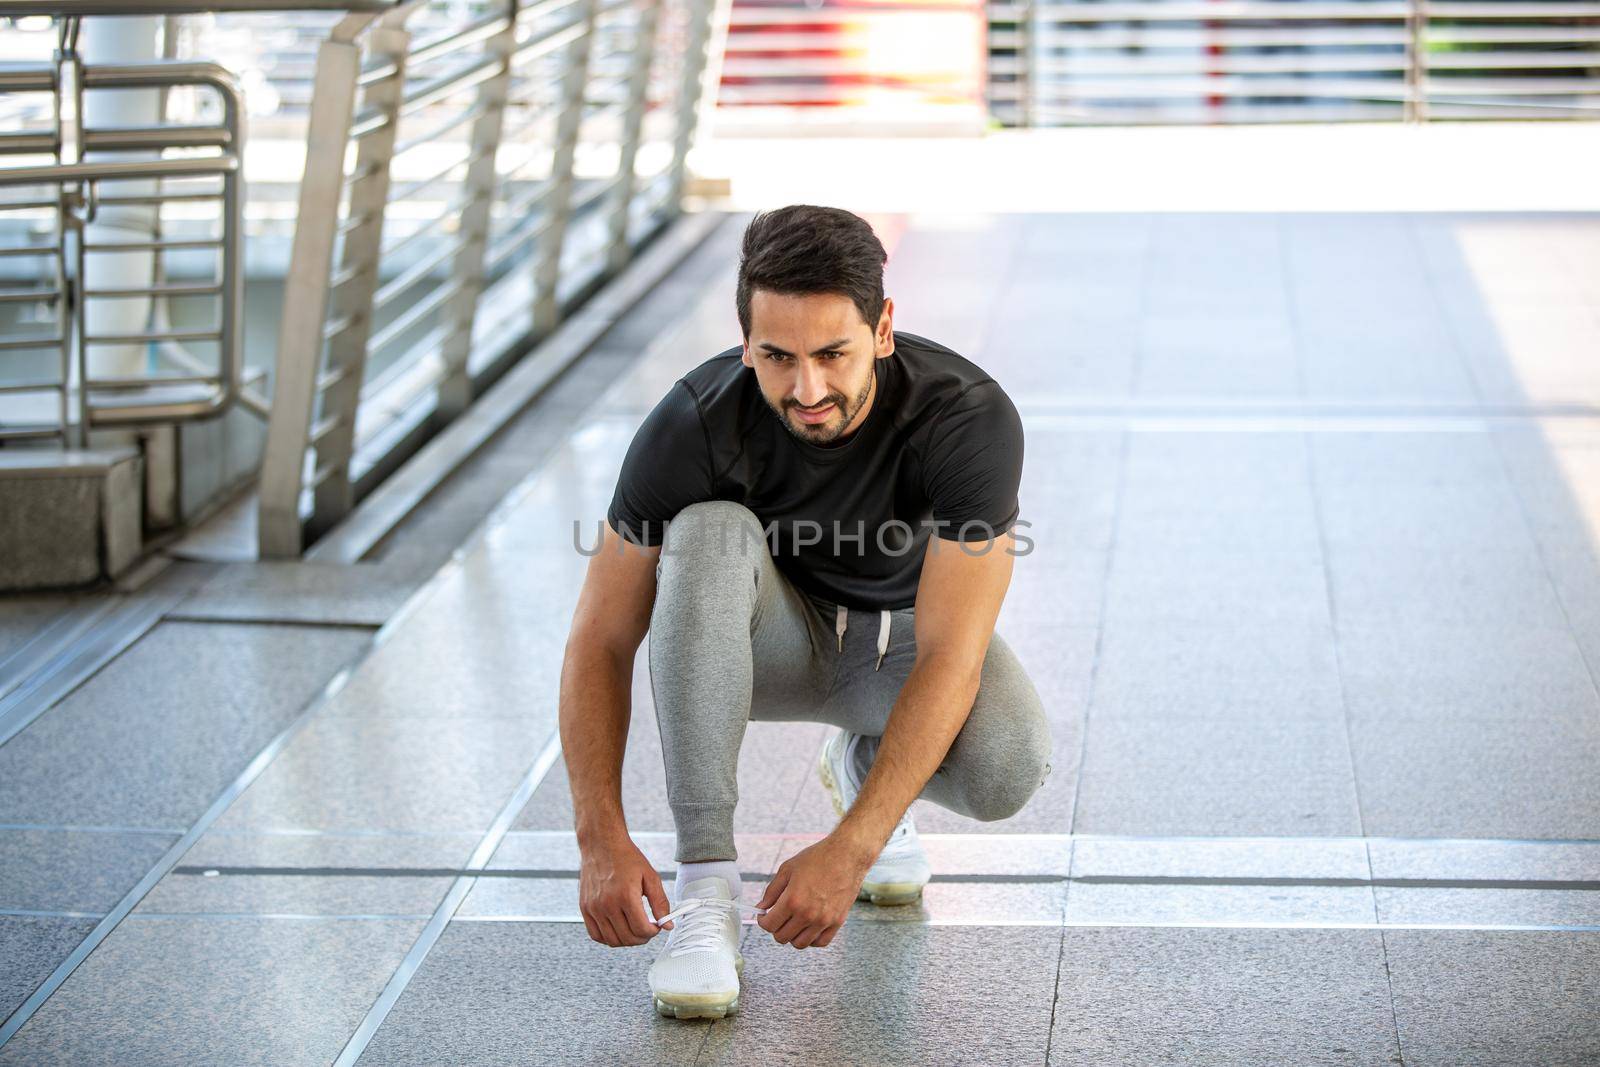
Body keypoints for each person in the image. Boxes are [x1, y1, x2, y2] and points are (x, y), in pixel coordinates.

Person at [557, 204, 1051, 1020]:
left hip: (898, 650)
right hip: (759, 649)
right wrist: (598, 834)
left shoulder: (966, 417)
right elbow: (600, 638)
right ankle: (705, 893)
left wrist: (852, 847)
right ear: (745, 337)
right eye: (776, 356)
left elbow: (953, 657)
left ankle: (861, 769)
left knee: (1008, 766)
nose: (807, 389)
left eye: (833, 353)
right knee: (709, 533)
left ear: (884, 328)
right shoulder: (694, 421)